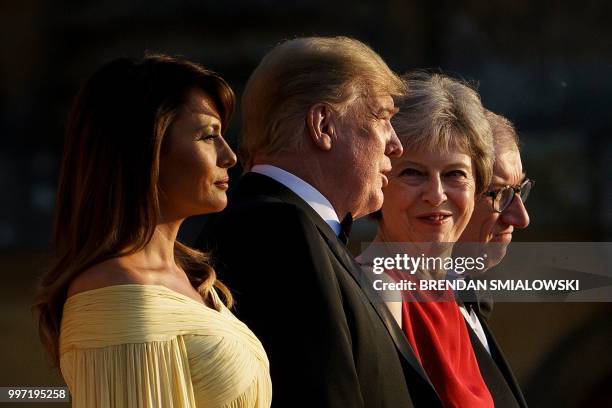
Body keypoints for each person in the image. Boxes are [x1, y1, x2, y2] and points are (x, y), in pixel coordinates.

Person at [197, 37, 441, 407]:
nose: (396, 144)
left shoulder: (293, 226)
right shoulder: (277, 228)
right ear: (323, 126)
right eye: (382, 117)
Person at [34, 55, 272, 407]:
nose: (229, 156)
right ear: (148, 149)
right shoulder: (117, 292)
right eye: (209, 135)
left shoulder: (195, 279)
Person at [358, 72, 500, 407]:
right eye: (412, 173)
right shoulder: (380, 288)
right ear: (381, 180)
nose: (436, 195)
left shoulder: (454, 295)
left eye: (454, 174)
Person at [456, 109, 532, 408]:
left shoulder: (467, 297)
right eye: (500, 194)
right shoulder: (397, 302)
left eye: (520, 191)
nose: (520, 218)